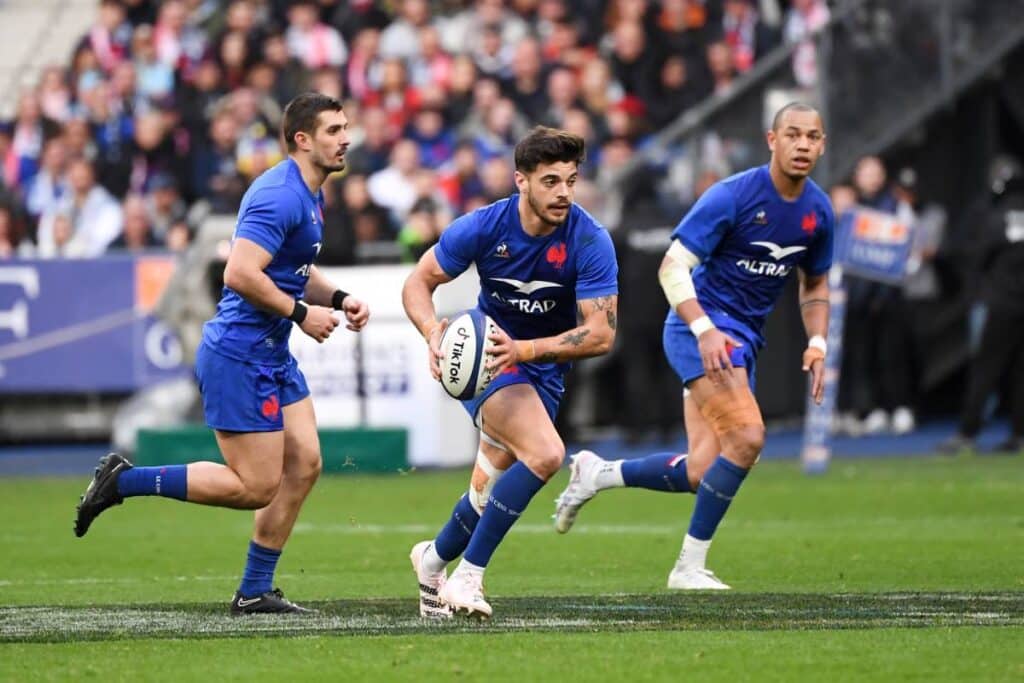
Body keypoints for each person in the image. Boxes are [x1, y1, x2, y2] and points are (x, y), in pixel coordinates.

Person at [72, 92, 371, 615]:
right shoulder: (280, 194)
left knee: (304, 464)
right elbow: (238, 272)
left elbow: (295, 267)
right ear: (302, 140)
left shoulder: (311, 192)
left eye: (345, 127)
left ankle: (254, 590)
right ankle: (124, 480)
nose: (345, 138)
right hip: (239, 353)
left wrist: (340, 299)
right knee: (256, 486)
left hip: (272, 352)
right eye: (333, 130)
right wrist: (302, 314)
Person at [554, 102, 834, 590]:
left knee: (702, 470)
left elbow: (814, 286)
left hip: (741, 338)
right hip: (698, 330)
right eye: (793, 134)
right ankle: (688, 568)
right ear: (772, 140)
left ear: (822, 145)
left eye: (812, 137)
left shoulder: (818, 212)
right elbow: (671, 267)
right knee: (747, 439)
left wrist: (816, 341)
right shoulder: (733, 196)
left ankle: (598, 474)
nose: (803, 145)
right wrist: (704, 329)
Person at [402, 127, 618, 618]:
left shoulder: (589, 238)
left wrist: (527, 349)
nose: (563, 192)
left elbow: (601, 334)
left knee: (485, 491)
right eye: (550, 181)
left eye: (570, 180)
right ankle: (468, 578)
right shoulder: (481, 227)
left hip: (538, 368)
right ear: (521, 181)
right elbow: (419, 281)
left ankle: (432, 563)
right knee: (545, 454)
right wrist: (433, 332)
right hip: (488, 364)